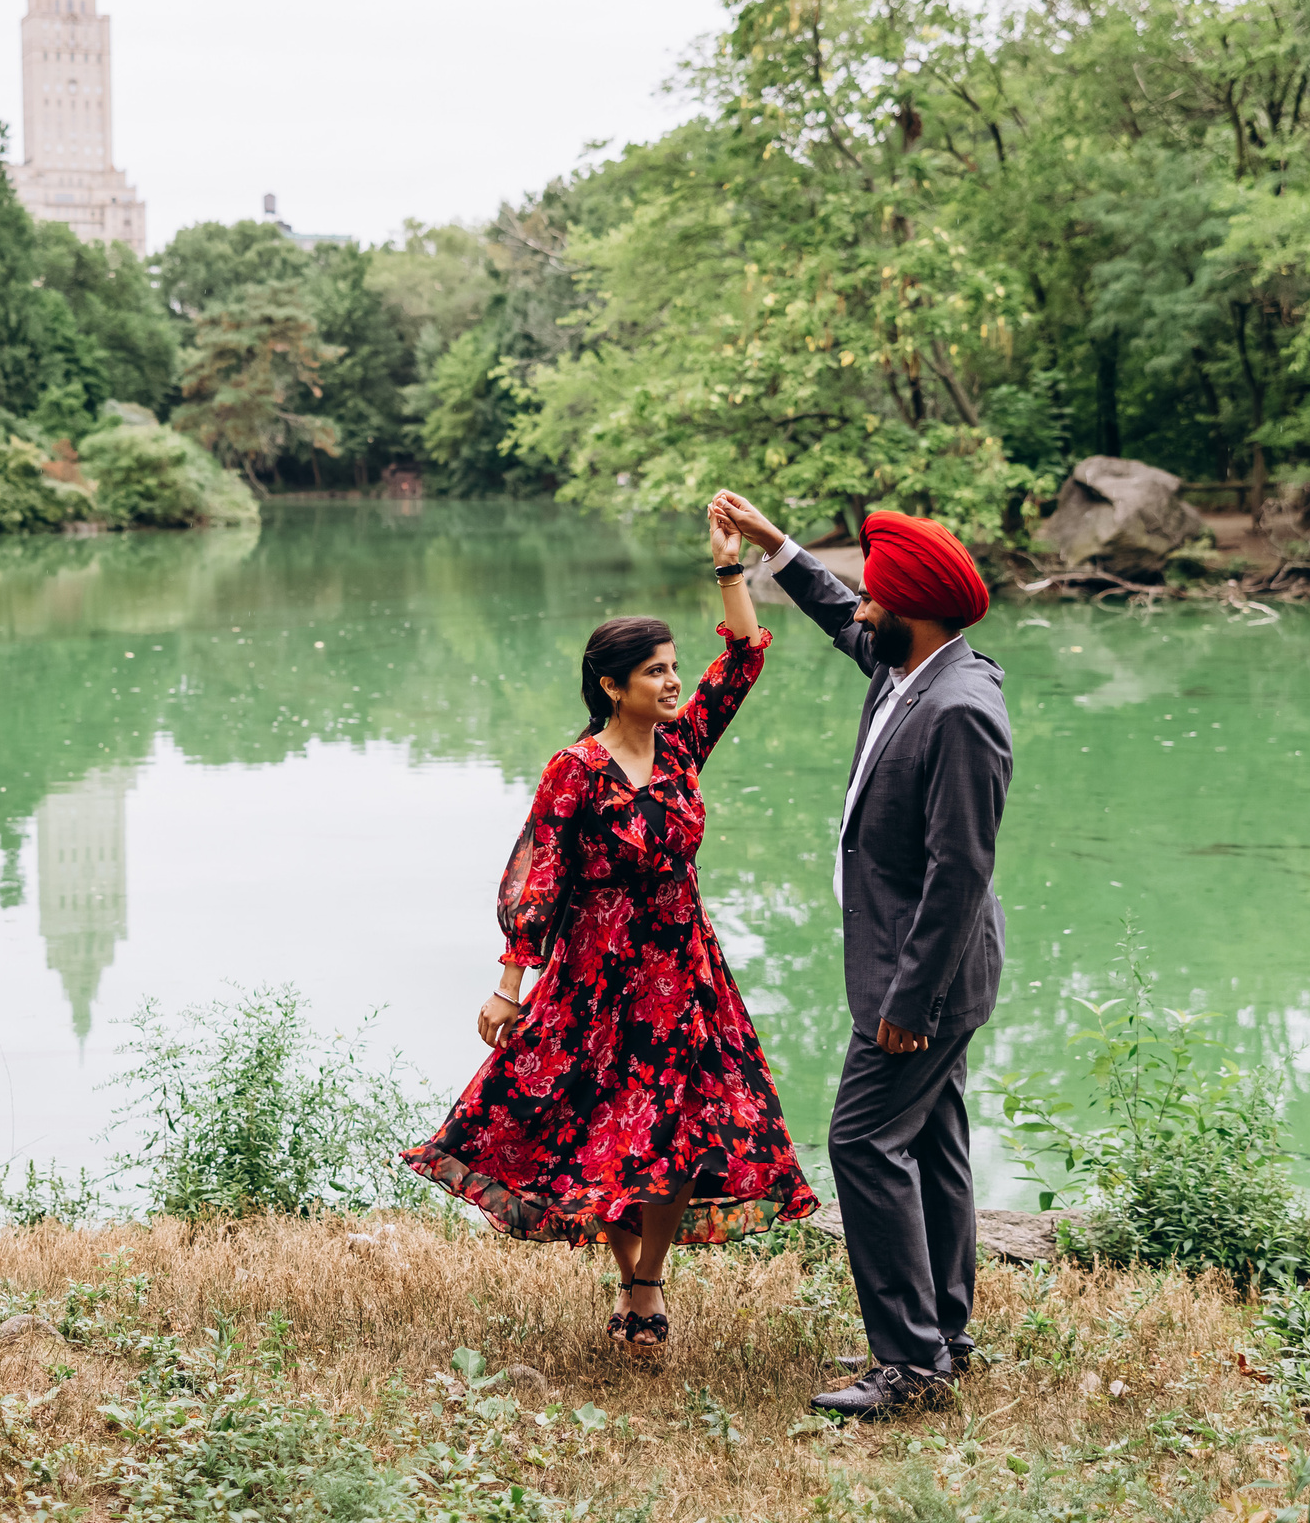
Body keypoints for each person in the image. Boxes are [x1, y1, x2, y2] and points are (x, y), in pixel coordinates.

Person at [403, 510, 819, 1350]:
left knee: (676, 1132)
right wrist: (509, 985)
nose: (672, 683)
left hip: (684, 972)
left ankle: (644, 1286)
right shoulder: (576, 769)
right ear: (611, 686)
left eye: (673, 669)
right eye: (656, 672)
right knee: (601, 1136)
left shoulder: (681, 748)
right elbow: (542, 876)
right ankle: (635, 1281)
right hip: (598, 977)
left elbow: (743, 658)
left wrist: (728, 569)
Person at [709, 491, 1011, 1417]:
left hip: (924, 977)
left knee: (861, 1140)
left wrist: (908, 1002)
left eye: (877, 599)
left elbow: (959, 872)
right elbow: (841, 614)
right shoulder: (906, 666)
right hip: (923, 970)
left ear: (913, 612)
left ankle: (909, 1366)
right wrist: (773, 547)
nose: (862, 609)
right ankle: (944, 1334)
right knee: (936, 1141)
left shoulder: (960, 709)